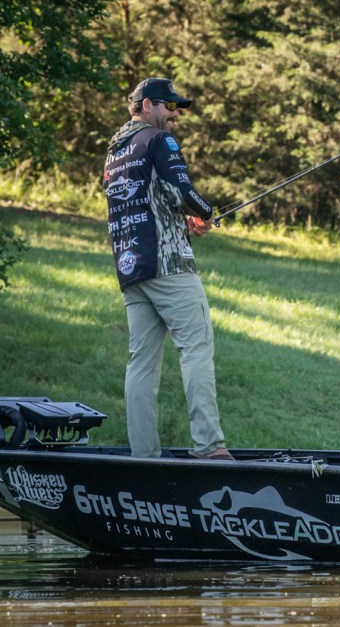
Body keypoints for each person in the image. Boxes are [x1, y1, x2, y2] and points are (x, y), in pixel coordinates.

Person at [103, 77, 231, 460]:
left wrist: (183, 220)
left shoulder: (115, 151)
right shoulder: (160, 141)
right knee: (196, 348)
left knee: (140, 364)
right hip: (169, 265)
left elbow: (148, 200)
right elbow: (182, 190)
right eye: (170, 106)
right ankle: (209, 447)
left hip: (131, 268)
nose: (176, 115)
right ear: (147, 105)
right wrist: (206, 213)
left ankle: (144, 456)